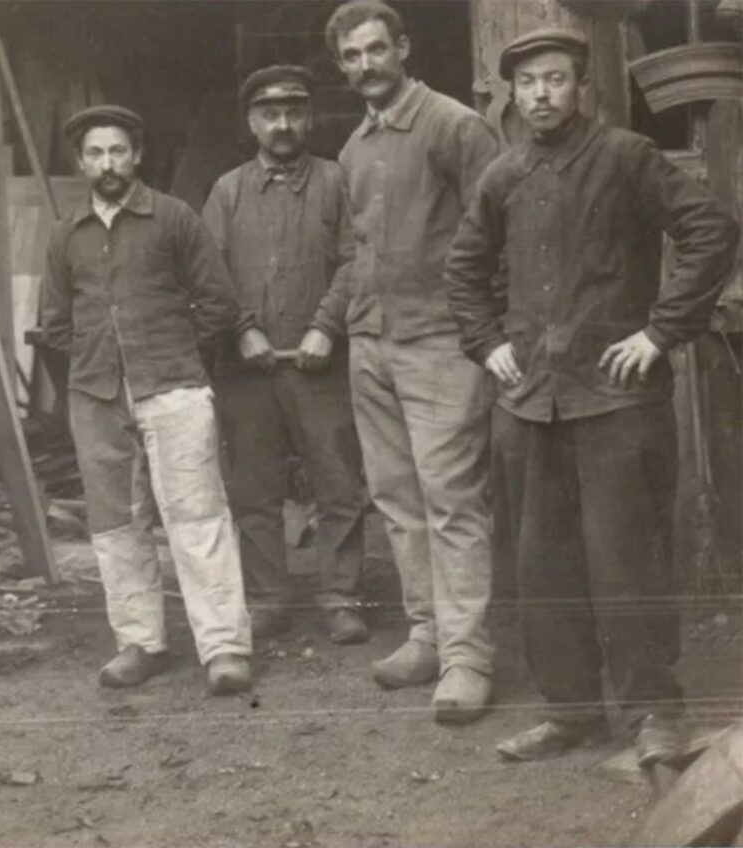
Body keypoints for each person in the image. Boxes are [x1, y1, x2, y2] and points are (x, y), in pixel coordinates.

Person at [446, 28, 739, 762]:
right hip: (528, 403)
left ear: (584, 88)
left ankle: (652, 715)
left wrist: (662, 332)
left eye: (555, 79)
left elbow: (711, 230)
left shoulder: (627, 157)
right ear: (512, 94)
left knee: (626, 561)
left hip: (616, 400)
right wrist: (488, 343)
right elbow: (462, 268)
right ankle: (570, 710)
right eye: (528, 82)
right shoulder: (503, 176)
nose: (541, 94)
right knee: (541, 565)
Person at [309, 0, 502, 723]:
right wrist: (347, 327)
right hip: (373, 344)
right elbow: (360, 251)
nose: (365, 65)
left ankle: (468, 658)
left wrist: (488, 337)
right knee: (396, 498)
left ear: (404, 49)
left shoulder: (455, 126)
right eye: (352, 56)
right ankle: (426, 633)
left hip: (443, 344)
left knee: (453, 502)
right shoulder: (355, 150)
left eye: (375, 50)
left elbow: (499, 233)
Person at [38, 105, 255, 694]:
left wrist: (174, 354)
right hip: (98, 396)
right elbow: (53, 324)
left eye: (116, 151)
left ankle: (224, 647)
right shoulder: (67, 234)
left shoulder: (174, 218)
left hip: (175, 388)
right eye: (94, 154)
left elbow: (218, 305)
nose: (107, 164)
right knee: (114, 525)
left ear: (135, 155)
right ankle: (140, 641)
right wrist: (94, 363)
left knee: (197, 517)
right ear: (80, 162)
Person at [202, 65, 371, 645]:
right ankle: (270, 598)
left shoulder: (335, 182)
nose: (282, 125)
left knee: (340, 484)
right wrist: (243, 328)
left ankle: (342, 597)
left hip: (320, 367)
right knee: (253, 490)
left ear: (310, 117)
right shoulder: (227, 191)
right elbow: (209, 272)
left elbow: (356, 261)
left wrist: (326, 326)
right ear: (251, 122)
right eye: (270, 114)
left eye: (294, 113)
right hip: (248, 372)